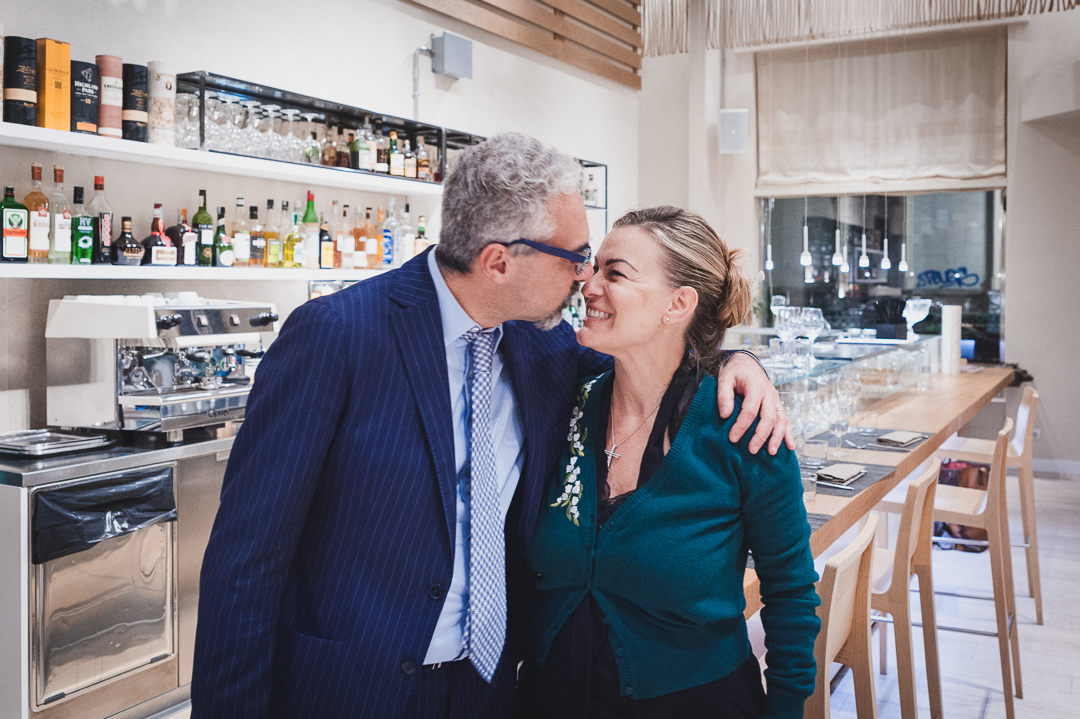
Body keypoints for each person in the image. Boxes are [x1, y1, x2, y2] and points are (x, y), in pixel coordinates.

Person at [191, 134, 791, 719]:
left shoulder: (544, 343)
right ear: (499, 261)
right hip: (353, 686)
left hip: (491, 689)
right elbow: (245, 561)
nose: (585, 279)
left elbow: (656, 356)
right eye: (577, 258)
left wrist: (739, 363)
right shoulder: (339, 336)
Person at [519, 206, 820, 719]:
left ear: (678, 304)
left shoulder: (743, 428)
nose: (588, 284)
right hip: (550, 697)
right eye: (594, 267)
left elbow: (791, 594)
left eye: (615, 273)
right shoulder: (566, 403)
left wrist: (787, 708)